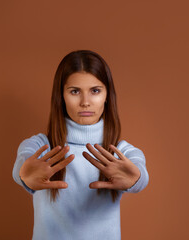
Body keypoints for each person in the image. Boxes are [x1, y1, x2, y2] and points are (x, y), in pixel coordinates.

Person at [12, 50, 149, 240]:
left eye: (95, 91)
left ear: (107, 95)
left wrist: (137, 179)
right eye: (75, 91)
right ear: (61, 96)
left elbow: (138, 168)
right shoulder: (41, 146)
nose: (85, 102)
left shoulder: (120, 152)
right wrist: (22, 174)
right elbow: (24, 159)